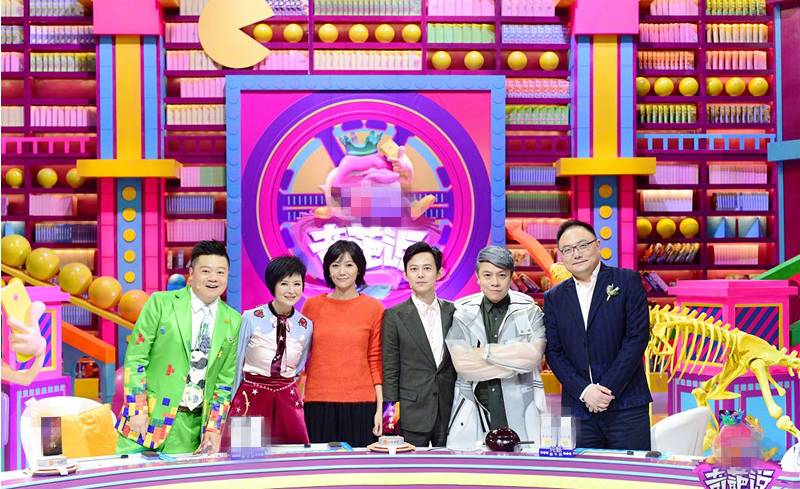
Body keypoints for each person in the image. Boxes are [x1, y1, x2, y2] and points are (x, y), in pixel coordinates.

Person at [116, 240, 242, 454]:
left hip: (193, 430)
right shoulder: (160, 303)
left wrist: (214, 427)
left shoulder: (234, 321)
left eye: (221, 272)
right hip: (146, 420)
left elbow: (225, 381)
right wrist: (136, 409)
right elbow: (136, 358)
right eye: (206, 271)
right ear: (191, 273)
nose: (213, 278)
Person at [544, 219, 652, 450]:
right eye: (568, 250)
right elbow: (553, 351)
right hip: (579, 408)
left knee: (630, 472)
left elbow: (636, 338)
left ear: (598, 245)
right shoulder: (554, 297)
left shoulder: (627, 281)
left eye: (582, 245)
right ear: (561, 256)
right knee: (585, 470)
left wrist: (605, 390)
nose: (576, 254)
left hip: (626, 406)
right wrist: (585, 391)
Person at [445, 246, 547, 450]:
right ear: (477, 277)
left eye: (502, 275)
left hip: (519, 405)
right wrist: (514, 363)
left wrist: (484, 352)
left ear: (511, 277)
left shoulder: (529, 311)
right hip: (476, 407)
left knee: (522, 464)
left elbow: (533, 357)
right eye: (487, 275)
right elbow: (463, 366)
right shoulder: (462, 312)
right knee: (474, 466)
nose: (495, 282)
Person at [301, 240, 384, 447]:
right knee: (320, 467)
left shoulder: (374, 308)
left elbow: (376, 360)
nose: (342, 272)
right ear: (328, 270)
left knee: (359, 466)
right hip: (318, 402)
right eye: (335, 265)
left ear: (359, 269)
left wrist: (380, 409)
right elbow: (301, 358)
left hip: (362, 403)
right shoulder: (311, 306)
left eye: (349, 265)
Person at [227, 256, 313, 445]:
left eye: (297, 284)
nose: (291, 290)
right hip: (251, 397)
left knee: (292, 455)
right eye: (284, 284)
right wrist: (231, 403)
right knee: (246, 453)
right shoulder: (251, 317)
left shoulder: (306, 325)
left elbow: (299, 366)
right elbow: (237, 361)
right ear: (273, 285)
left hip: (288, 399)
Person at [382, 242, 456, 447]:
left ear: (439, 273)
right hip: (411, 413)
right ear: (405, 274)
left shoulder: (454, 312)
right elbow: (390, 371)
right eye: (414, 269)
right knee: (410, 466)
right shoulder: (394, 316)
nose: (420, 275)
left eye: (427, 268)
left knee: (451, 464)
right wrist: (390, 423)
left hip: (449, 410)